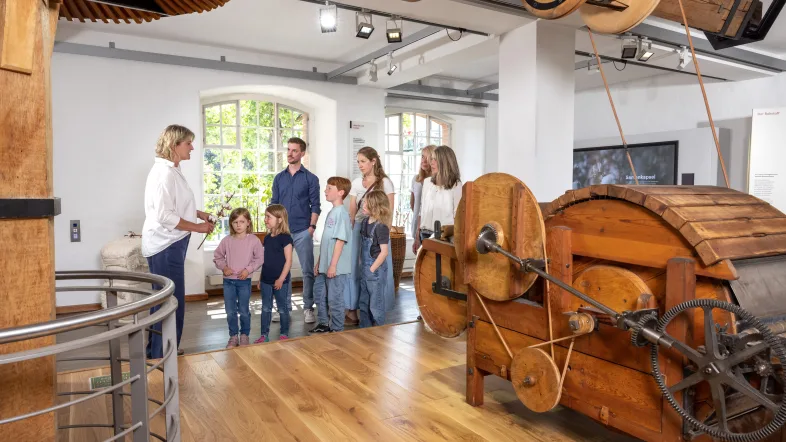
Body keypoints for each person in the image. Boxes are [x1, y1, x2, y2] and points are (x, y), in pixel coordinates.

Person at [142, 124, 214, 359]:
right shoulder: (164, 173)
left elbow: (176, 205)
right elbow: (165, 216)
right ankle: (161, 353)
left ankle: (162, 349)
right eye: (188, 143)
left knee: (167, 301)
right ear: (175, 145)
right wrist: (198, 227)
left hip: (171, 244)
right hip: (166, 246)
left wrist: (198, 213)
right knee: (169, 302)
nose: (192, 147)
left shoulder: (172, 169)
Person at [270, 137, 320, 324]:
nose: (290, 154)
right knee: (282, 270)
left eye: (294, 150)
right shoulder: (279, 178)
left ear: (302, 154)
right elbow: (274, 204)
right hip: (282, 232)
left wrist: (311, 228)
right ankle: (284, 308)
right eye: (288, 150)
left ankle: (308, 308)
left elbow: (315, 205)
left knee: (307, 270)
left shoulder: (311, 179)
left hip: (302, 231)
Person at [346, 147, 395, 325]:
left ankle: (379, 311)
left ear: (373, 161)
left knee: (375, 270)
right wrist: (351, 230)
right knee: (355, 268)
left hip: (377, 229)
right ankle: (352, 308)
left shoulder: (385, 183)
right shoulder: (356, 182)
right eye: (358, 161)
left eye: (363, 161)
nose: (360, 165)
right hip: (360, 227)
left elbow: (388, 211)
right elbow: (352, 210)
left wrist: (384, 234)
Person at [212, 208, 264, 348]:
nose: (238, 225)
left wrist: (248, 270)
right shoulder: (227, 241)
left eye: (242, 221)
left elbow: (259, 258)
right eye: (235, 222)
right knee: (230, 311)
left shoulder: (253, 240)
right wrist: (224, 267)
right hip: (228, 281)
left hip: (244, 281)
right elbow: (217, 257)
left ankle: (244, 335)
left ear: (248, 222)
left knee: (244, 310)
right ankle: (233, 336)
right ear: (231, 224)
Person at [311, 177, 353, 333]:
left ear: (340, 193)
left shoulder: (341, 213)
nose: (325, 191)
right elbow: (327, 241)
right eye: (326, 188)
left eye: (329, 188)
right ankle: (323, 323)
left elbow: (340, 241)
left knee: (334, 299)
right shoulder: (332, 212)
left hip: (335, 267)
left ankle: (337, 329)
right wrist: (320, 262)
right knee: (320, 294)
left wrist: (333, 265)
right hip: (325, 265)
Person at [255, 204, 293, 343]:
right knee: (265, 308)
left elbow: (288, 261)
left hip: (280, 281)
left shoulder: (286, 238)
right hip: (266, 280)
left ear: (280, 219)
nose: (265, 220)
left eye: (268, 217)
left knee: (282, 308)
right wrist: (260, 278)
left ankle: (284, 333)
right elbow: (265, 261)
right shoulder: (267, 238)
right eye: (265, 217)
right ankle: (264, 334)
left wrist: (281, 279)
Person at [357, 190, 391, 328]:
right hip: (365, 269)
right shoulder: (365, 222)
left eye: (366, 203)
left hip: (374, 271)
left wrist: (371, 269)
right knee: (364, 303)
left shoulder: (381, 227)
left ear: (376, 207)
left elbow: (384, 252)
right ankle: (365, 330)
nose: (363, 205)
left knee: (375, 305)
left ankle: (379, 331)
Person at [418, 145, 463, 243]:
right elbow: (422, 211)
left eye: (435, 159)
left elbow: (458, 216)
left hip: (444, 237)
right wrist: (418, 233)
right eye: (432, 159)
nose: (431, 162)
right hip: (424, 234)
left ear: (445, 162)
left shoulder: (456, 185)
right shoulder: (427, 182)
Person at [410, 145, 436, 253]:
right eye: (422, 157)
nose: (424, 161)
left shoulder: (436, 181)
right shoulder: (416, 179)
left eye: (427, 157)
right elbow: (412, 203)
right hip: (417, 222)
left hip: (430, 226)